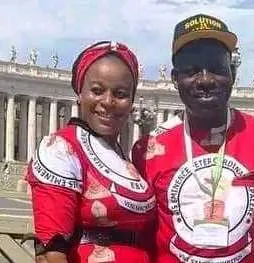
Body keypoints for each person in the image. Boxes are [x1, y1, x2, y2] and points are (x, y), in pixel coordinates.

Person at [132, 14, 254, 262]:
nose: (206, 80)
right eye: (192, 71)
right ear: (175, 79)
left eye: (218, 69)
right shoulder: (148, 150)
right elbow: (135, 233)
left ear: (232, 74)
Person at [27, 41, 156, 263]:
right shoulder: (61, 149)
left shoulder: (120, 156)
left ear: (131, 102)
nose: (108, 101)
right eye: (97, 91)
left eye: (121, 93)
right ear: (79, 94)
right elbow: (52, 251)